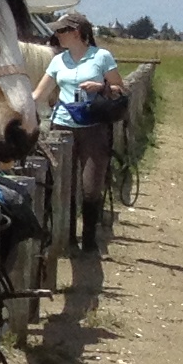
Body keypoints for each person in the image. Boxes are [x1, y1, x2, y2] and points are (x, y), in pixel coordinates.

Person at [40, 13, 122, 231]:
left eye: (60, 31)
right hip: (62, 127)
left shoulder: (102, 57)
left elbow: (120, 89)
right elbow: (39, 93)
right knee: (65, 185)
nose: (56, 35)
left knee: (90, 187)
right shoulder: (58, 60)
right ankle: (67, 237)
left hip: (93, 127)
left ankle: (88, 236)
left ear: (76, 33)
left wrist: (100, 87)